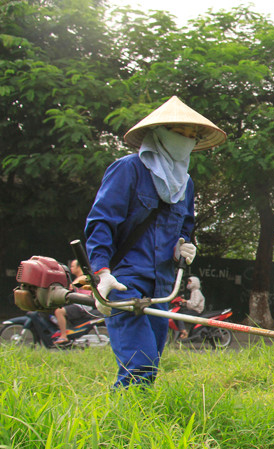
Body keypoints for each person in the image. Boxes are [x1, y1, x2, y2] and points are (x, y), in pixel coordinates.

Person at [85, 96, 226, 387]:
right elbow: (101, 223)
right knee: (140, 364)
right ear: (158, 133)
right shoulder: (128, 169)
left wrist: (181, 249)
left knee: (151, 364)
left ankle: (134, 413)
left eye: (192, 135)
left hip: (162, 287)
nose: (185, 140)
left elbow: (184, 229)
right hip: (124, 282)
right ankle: (125, 416)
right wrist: (102, 272)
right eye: (179, 133)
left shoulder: (185, 184)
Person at [53, 259, 95, 345]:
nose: (71, 268)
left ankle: (63, 336)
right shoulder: (80, 278)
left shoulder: (84, 277)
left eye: (72, 266)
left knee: (59, 311)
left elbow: (73, 286)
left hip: (84, 305)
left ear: (79, 267)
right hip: (79, 304)